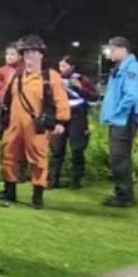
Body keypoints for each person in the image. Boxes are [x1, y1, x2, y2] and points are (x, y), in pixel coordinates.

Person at [0, 36, 70, 209]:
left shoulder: (50, 76)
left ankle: (37, 196)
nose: (29, 56)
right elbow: (6, 99)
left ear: (41, 55)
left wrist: (61, 121)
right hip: (14, 124)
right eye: (26, 53)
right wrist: (2, 119)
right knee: (8, 155)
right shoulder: (16, 75)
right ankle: (9, 191)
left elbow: (61, 100)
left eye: (33, 52)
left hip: (37, 126)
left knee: (38, 159)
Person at [100, 36, 138, 207]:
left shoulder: (133, 68)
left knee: (119, 158)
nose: (108, 53)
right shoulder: (120, 68)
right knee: (117, 157)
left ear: (122, 49)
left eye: (111, 49)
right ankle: (122, 193)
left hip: (124, 119)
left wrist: (117, 114)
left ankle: (124, 196)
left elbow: (131, 96)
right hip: (119, 119)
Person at [49, 56, 99, 190]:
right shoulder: (56, 80)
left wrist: (80, 88)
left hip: (78, 117)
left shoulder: (82, 80)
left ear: (72, 67)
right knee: (56, 149)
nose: (61, 69)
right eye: (60, 66)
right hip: (60, 117)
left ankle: (76, 180)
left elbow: (94, 97)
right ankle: (53, 180)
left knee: (77, 149)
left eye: (64, 66)